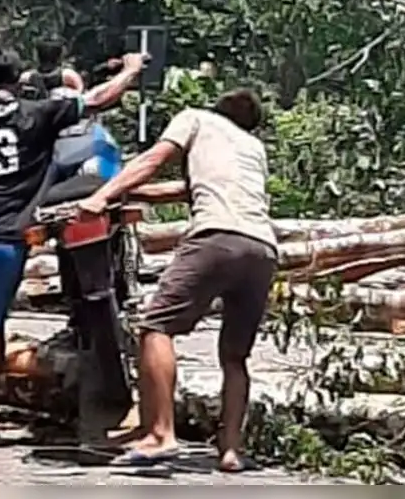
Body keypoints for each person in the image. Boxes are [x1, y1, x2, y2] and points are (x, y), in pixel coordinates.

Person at [0, 41, 148, 442]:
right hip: (8, 241)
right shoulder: (39, 113)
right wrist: (131, 71)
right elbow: (97, 100)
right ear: (16, 80)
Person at [77, 88, 277, 472]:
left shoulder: (196, 118)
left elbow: (154, 159)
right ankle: (231, 449)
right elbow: (189, 189)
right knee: (235, 356)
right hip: (263, 247)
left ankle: (160, 435)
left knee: (156, 327)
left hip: (216, 237)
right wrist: (131, 193)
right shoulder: (252, 148)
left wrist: (102, 195)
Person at [18, 36, 85, 99]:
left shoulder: (26, 77)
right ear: (60, 55)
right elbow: (80, 97)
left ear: (37, 56)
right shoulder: (69, 76)